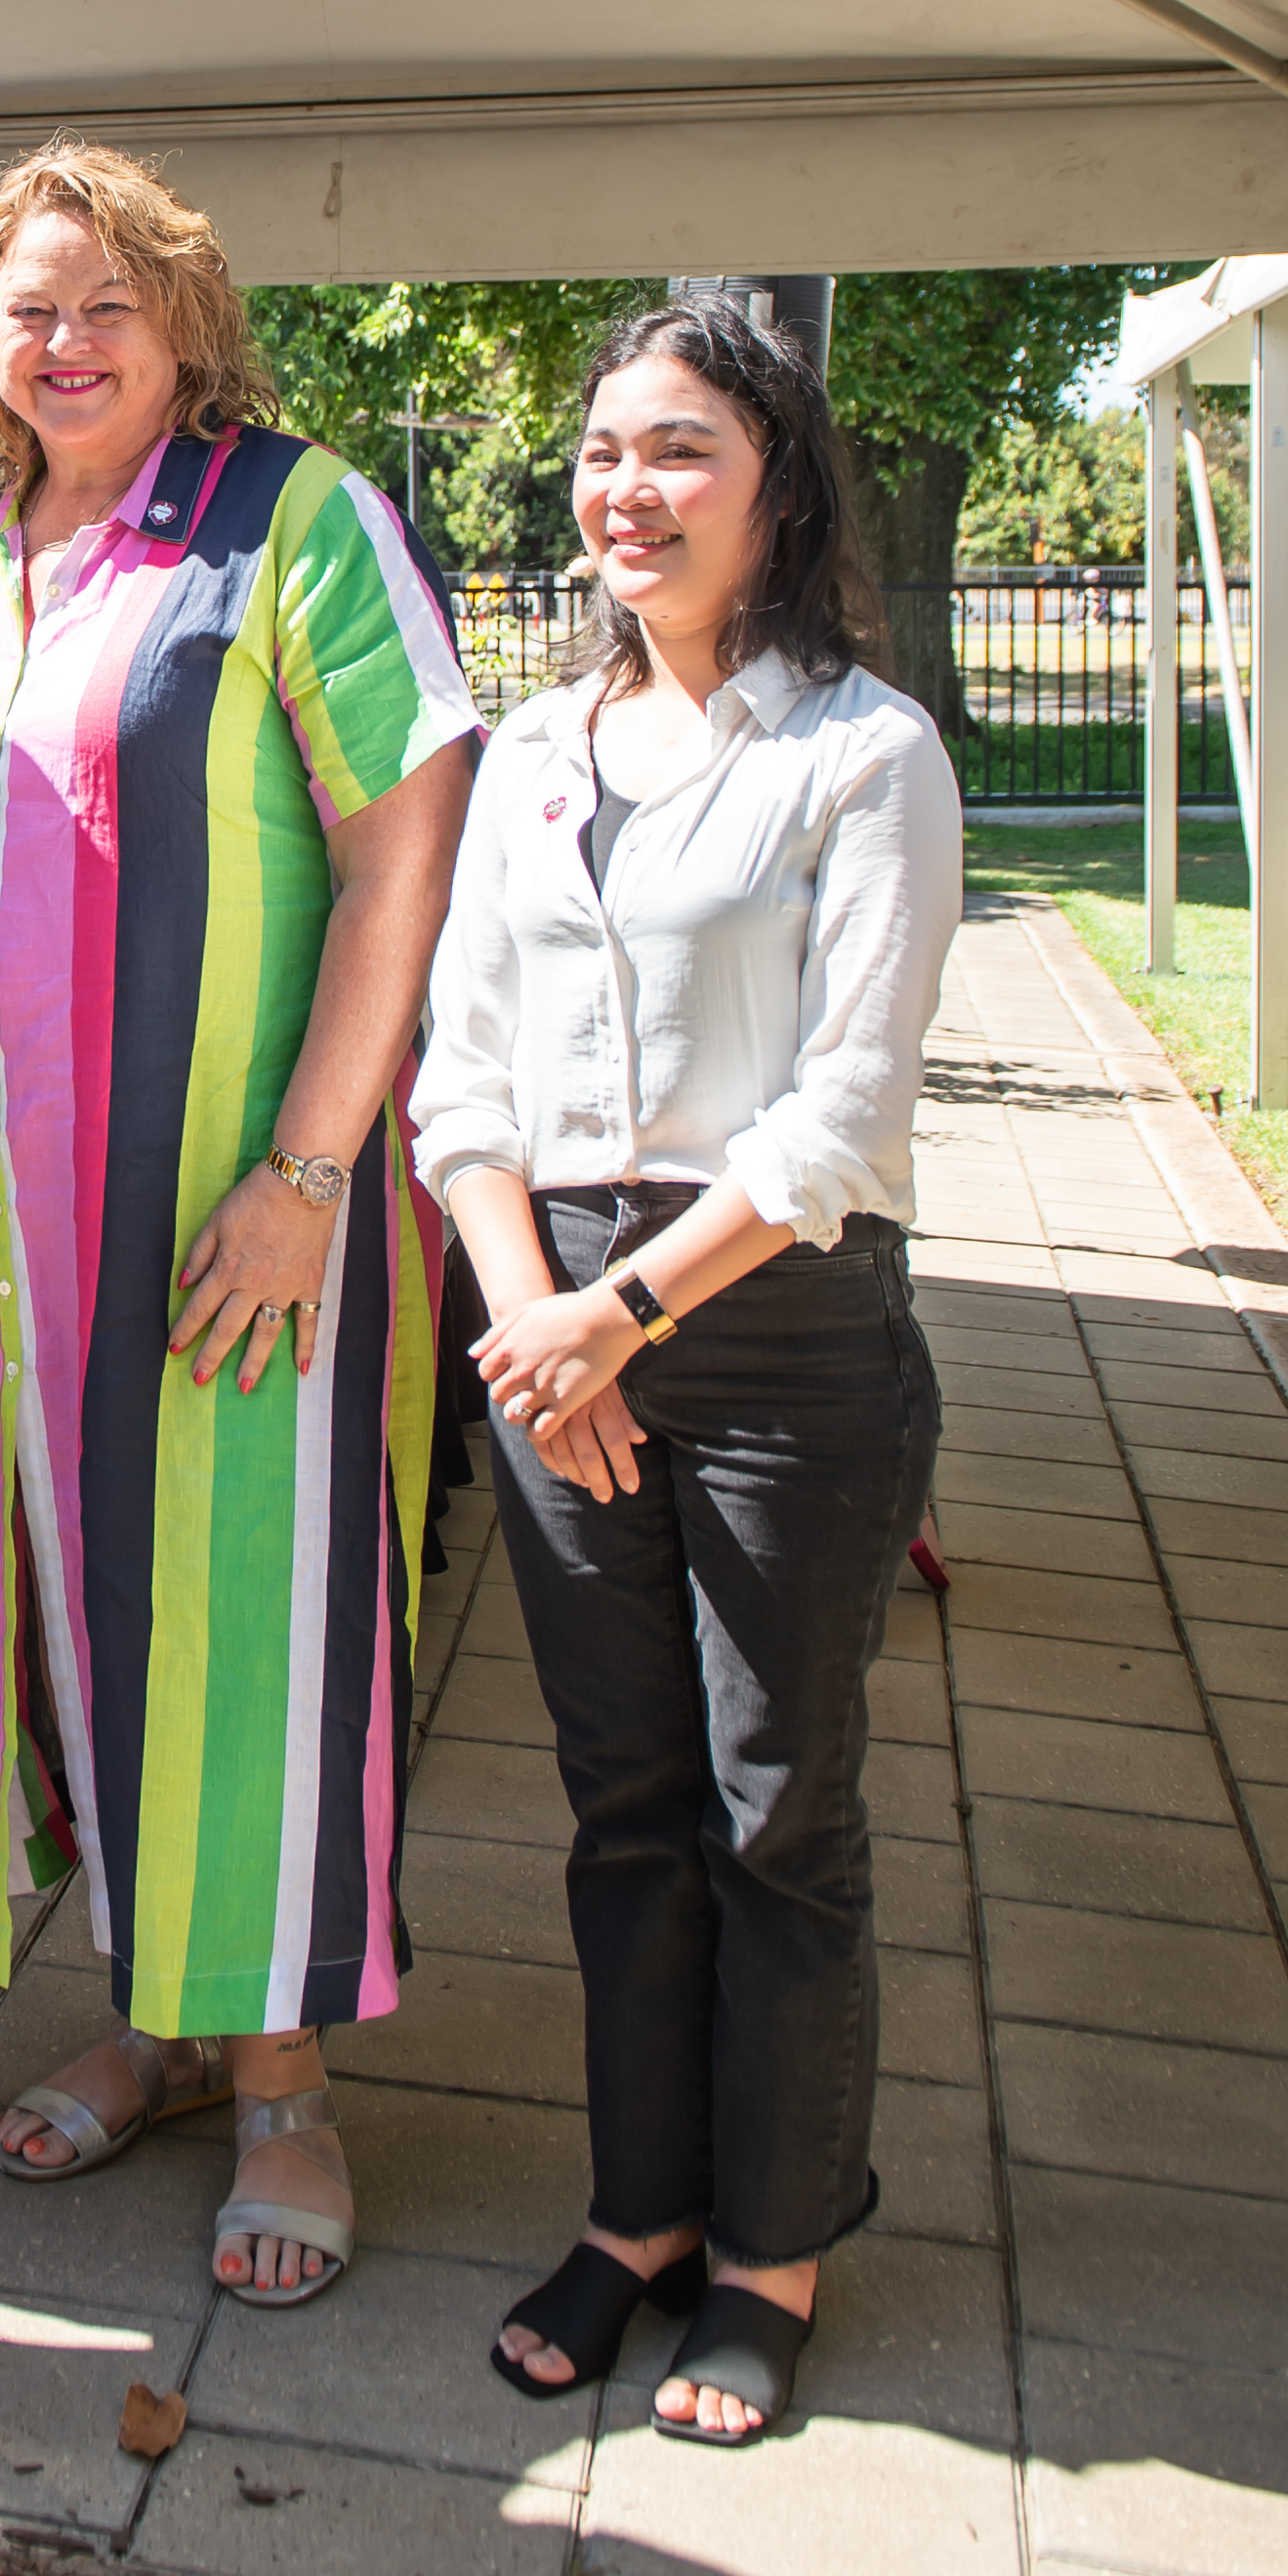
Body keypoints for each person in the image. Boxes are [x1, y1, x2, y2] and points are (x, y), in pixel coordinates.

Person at [0, 142, 479, 2307]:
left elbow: (406, 843)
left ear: (184, 319)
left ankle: (290, 2076)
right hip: (0, 1234)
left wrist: (312, 1170)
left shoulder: (299, 520)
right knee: (70, 1603)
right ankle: (154, 2015)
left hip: (233, 1201)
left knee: (248, 1618)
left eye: (102, 303)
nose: (61, 341)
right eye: (24, 308)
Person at [410, 296, 962, 2445]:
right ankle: (633, 2213)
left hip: (779, 1329)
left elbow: (836, 1114)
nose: (623, 491)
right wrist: (534, 1332)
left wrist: (619, 1316)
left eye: (678, 454)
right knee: (620, 1805)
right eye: (602, 454)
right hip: (545, 1313)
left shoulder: (860, 752)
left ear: (775, 487)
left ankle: (768, 2248)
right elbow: (463, 1087)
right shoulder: (529, 757)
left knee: (773, 1806)